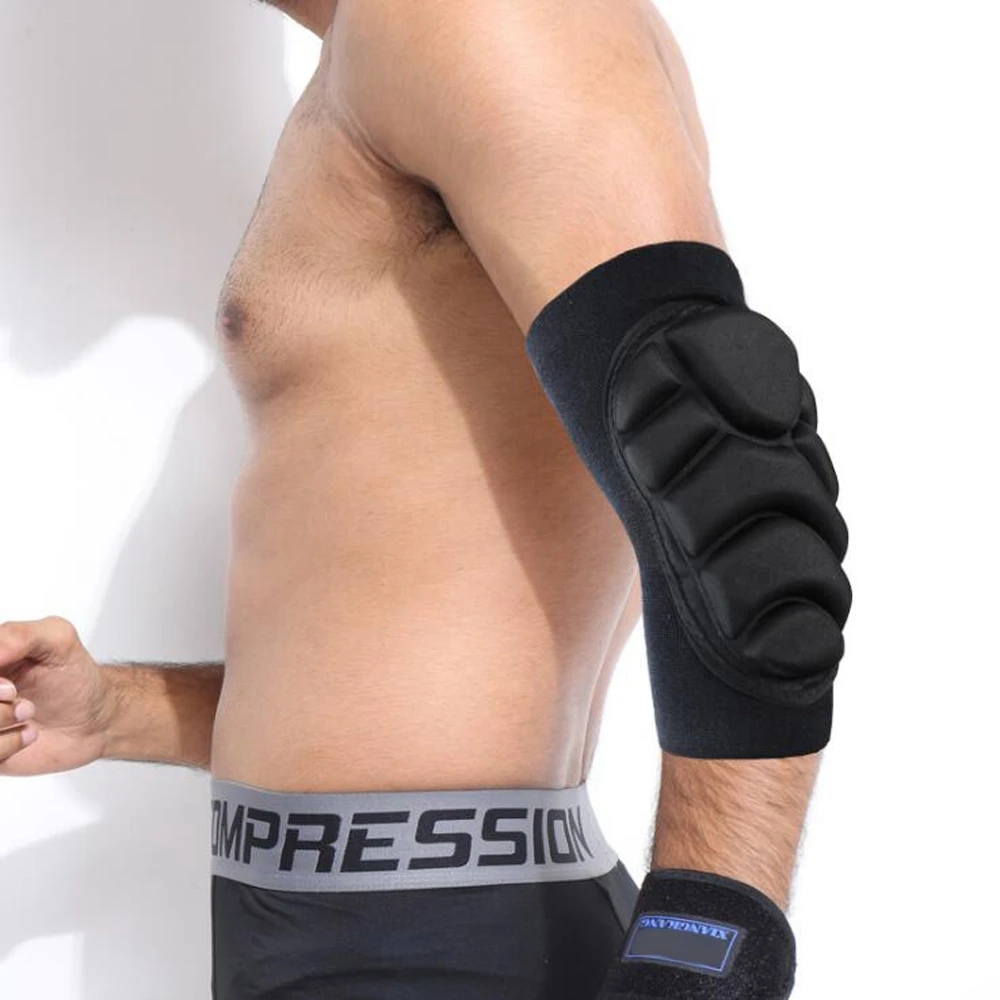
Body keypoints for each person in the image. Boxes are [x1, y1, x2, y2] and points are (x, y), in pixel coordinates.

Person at [1, 1, 850, 997]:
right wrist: (120, 713)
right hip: (352, 936)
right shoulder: (385, 53)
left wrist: (701, 959)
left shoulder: (465, 14)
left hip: (436, 945)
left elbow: (734, 488)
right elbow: (395, 664)